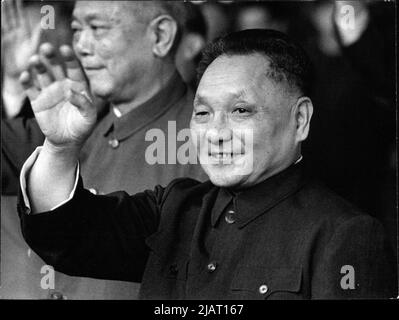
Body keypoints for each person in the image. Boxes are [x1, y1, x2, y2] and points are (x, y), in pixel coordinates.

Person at [18, 29, 396, 299]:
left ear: (299, 120)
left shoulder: (343, 235)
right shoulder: (174, 209)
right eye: (202, 112)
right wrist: (60, 147)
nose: (215, 132)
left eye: (241, 111)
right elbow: (66, 235)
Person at [2, 1, 205, 299]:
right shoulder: (72, 122)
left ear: (160, 36)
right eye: (76, 29)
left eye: (97, 28)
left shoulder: (208, 141)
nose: (81, 45)